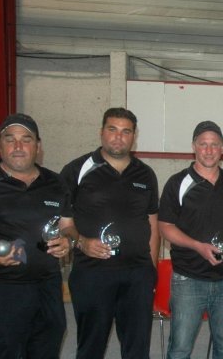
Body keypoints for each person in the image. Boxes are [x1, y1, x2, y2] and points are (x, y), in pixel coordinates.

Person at [0, 113, 74, 358]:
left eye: (26, 139)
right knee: (2, 351)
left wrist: (68, 240)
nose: (18, 146)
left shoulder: (56, 182)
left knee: (47, 348)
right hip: (0, 288)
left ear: (38, 146)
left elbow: (68, 226)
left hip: (47, 285)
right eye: (10, 139)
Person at [59, 107, 160, 359]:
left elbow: (152, 223)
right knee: (91, 347)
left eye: (126, 131)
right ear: (101, 132)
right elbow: (64, 223)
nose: (118, 137)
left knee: (137, 349)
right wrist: (82, 242)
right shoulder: (76, 170)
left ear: (134, 136)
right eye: (112, 129)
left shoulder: (145, 174)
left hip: (137, 275)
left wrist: (151, 271)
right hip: (92, 273)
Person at [158, 121, 223, 358]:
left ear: (222, 148)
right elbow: (165, 227)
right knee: (180, 348)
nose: (209, 150)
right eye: (203, 144)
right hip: (189, 278)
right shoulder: (177, 183)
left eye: (214, 145)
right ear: (194, 147)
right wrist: (197, 246)